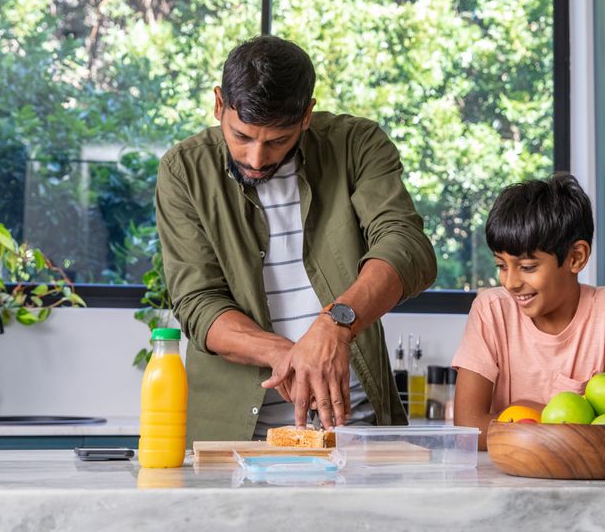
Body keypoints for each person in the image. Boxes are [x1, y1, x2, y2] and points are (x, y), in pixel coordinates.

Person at [155, 35, 436, 442]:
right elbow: (198, 302)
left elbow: (406, 245)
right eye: (242, 136)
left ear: (307, 115)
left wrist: (334, 325)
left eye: (277, 141)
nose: (255, 159)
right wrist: (292, 356)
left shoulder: (356, 146)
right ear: (219, 104)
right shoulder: (184, 171)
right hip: (232, 437)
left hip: (353, 429)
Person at [452, 173, 605, 448]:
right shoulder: (491, 310)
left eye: (527, 267)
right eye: (501, 265)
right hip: (509, 474)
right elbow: (468, 426)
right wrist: (569, 419)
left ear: (576, 258)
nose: (510, 282)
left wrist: (527, 412)